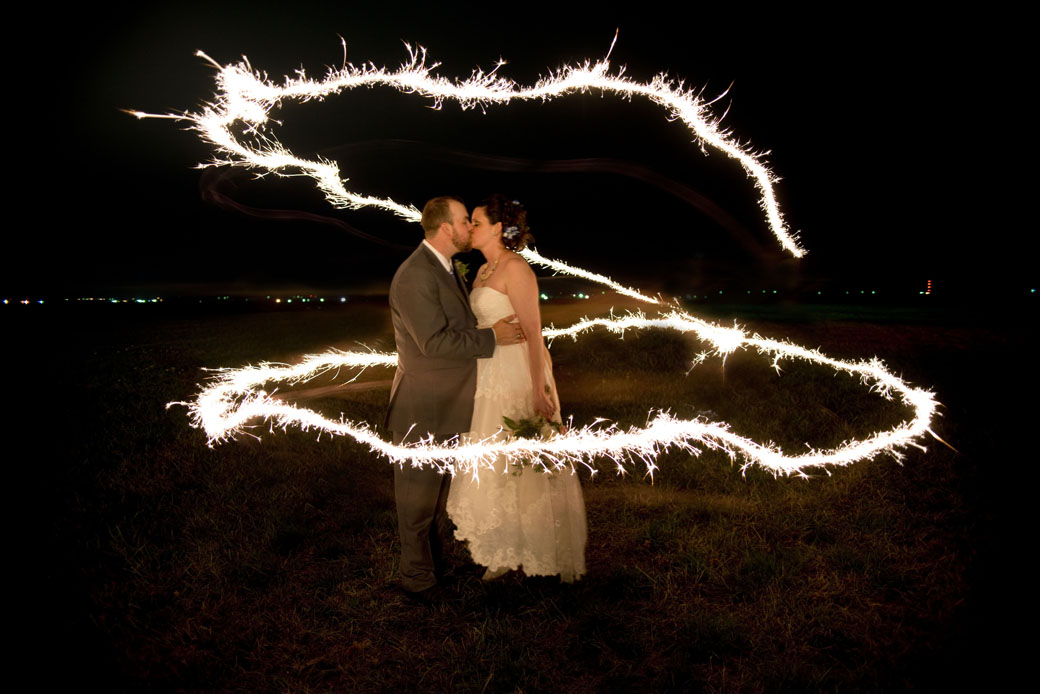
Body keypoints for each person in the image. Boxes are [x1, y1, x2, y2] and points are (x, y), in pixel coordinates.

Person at [385, 195, 526, 603]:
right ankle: (417, 580)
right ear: (447, 228)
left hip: (447, 403)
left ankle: (432, 568)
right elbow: (431, 342)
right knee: (416, 503)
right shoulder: (415, 275)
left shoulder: (443, 268)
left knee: (435, 497)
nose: (470, 226)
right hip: (422, 406)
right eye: (466, 220)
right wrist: (491, 338)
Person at [446, 195, 587, 583]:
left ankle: (537, 546)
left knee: (522, 461)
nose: (469, 228)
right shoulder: (483, 271)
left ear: (496, 228)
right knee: (494, 456)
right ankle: (501, 547)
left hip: (517, 377)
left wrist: (539, 388)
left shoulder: (516, 268)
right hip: (488, 374)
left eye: (475, 221)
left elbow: (534, 333)